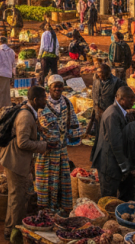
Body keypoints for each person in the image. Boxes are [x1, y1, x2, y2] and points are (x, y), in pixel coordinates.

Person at [1, 86, 49, 244]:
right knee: (18, 199)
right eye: (43, 98)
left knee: (15, 197)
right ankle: (15, 234)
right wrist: (42, 145)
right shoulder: (26, 116)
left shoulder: (29, 113)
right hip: (16, 161)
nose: (46, 100)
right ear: (35, 100)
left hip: (16, 160)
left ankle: (10, 229)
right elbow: (23, 142)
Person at [34, 78, 77, 214]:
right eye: (55, 87)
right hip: (45, 152)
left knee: (60, 180)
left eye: (60, 86)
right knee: (45, 180)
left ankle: (58, 208)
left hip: (61, 151)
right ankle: (44, 207)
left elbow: (72, 123)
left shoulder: (67, 103)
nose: (58, 89)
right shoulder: (42, 104)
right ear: (49, 88)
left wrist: (69, 136)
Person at [91, 86, 135, 201]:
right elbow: (116, 144)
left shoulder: (120, 111)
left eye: (133, 98)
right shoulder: (113, 114)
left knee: (125, 195)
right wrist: (125, 166)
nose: (133, 101)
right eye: (129, 99)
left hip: (114, 161)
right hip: (109, 164)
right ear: (119, 99)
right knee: (108, 199)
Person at [88, 63, 124, 137]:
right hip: (98, 109)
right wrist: (96, 105)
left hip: (110, 110)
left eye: (102, 75)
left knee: (109, 131)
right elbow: (94, 92)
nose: (100, 77)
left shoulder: (117, 82)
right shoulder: (97, 79)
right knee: (99, 130)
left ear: (108, 74)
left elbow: (123, 95)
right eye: (99, 74)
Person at [0, 36, 16, 110]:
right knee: (6, 92)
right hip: (7, 74)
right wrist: (13, 74)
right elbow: (14, 64)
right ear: (6, 42)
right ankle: (7, 107)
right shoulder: (11, 51)